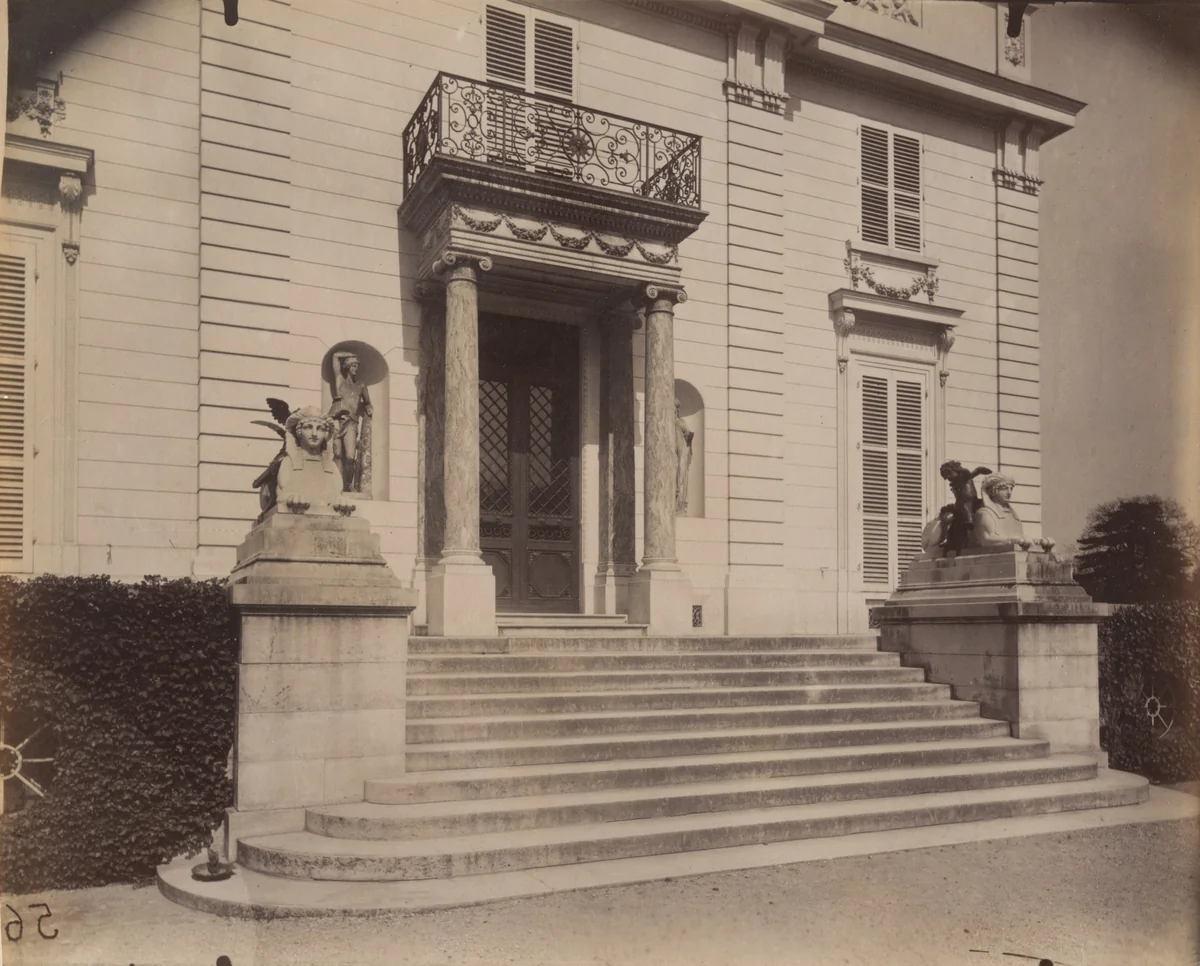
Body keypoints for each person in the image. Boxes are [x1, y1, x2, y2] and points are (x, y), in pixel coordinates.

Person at [327, 353, 373, 492]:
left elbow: (368, 403)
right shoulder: (340, 380)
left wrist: (369, 408)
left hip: (351, 422)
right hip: (336, 421)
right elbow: (335, 356)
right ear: (347, 367)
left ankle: (348, 484)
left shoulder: (361, 386)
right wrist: (351, 354)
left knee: (349, 456)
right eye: (353, 365)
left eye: (357, 366)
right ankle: (337, 484)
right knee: (337, 454)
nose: (356, 368)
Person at [970, 473, 1025, 548]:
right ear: (993, 491)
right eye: (1004, 488)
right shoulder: (984, 514)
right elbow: (986, 539)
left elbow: (1021, 538)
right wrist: (1012, 540)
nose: (1009, 493)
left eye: (1011, 488)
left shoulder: (1014, 515)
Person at [675, 399, 694, 514]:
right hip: (673, 450)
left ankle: (680, 502)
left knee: (681, 473)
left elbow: (687, 433)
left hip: (681, 449)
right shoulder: (668, 421)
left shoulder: (681, 421)